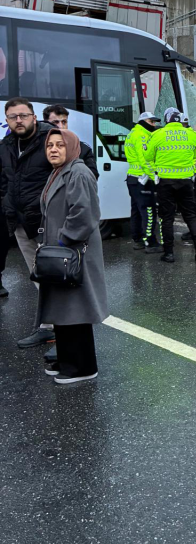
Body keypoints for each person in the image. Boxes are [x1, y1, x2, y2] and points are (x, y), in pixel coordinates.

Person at [38, 129, 107, 383]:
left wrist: (62, 240)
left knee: (76, 309)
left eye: (59, 145)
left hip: (74, 252)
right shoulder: (60, 171)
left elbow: (85, 214)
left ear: (72, 147)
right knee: (64, 307)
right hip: (61, 253)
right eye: (49, 146)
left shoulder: (78, 172)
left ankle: (83, 367)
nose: (54, 150)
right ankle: (68, 359)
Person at [0, 99, 56, 348]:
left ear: (34, 117)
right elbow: (4, 179)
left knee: (57, 274)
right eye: (13, 117)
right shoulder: (6, 145)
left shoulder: (51, 138)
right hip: (21, 223)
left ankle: (64, 329)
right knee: (37, 275)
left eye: (23, 115)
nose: (18, 120)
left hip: (48, 221)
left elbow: (82, 166)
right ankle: (49, 326)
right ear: (7, 120)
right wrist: (7, 203)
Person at [146, 107, 196, 263]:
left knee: (167, 218)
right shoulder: (191, 134)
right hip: (185, 181)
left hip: (165, 182)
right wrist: (189, 169)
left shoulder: (157, 134)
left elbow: (148, 157)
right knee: (191, 215)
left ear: (166, 120)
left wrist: (155, 173)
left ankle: (169, 253)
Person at [124, 111, 162, 252]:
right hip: (143, 179)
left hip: (133, 178)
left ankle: (138, 240)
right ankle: (150, 243)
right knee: (149, 211)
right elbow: (144, 160)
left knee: (136, 210)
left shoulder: (131, 134)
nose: (154, 125)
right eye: (151, 122)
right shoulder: (142, 136)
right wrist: (155, 177)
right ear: (143, 122)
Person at [41, 105, 99, 180]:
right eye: (55, 122)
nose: (61, 126)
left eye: (64, 122)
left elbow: (92, 176)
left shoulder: (82, 148)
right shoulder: (36, 146)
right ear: (46, 123)